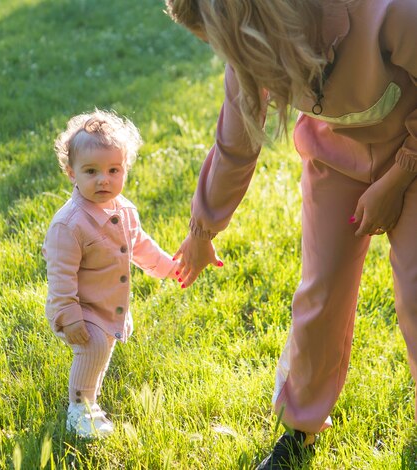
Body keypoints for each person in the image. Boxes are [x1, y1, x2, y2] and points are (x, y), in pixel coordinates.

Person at [165, 0, 417, 468]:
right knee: (320, 293)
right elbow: (235, 143)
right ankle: (300, 426)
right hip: (336, 158)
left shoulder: (390, 12)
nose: (233, 58)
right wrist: (202, 229)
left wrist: (397, 178)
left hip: (412, 151)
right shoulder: (255, 49)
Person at [43, 110, 180, 438]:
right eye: (91, 171)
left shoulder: (124, 210)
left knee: (101, 351)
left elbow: (140, 246)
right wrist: (70, 317)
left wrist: (167, 267)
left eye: (113, 170)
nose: (103, 180)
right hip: (82, 309)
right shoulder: (69, 224)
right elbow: (60, 276)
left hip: (108, 304)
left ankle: (89, 397)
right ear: (71, 172)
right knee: (92, 349)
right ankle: (80, 409)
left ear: (125, 169)